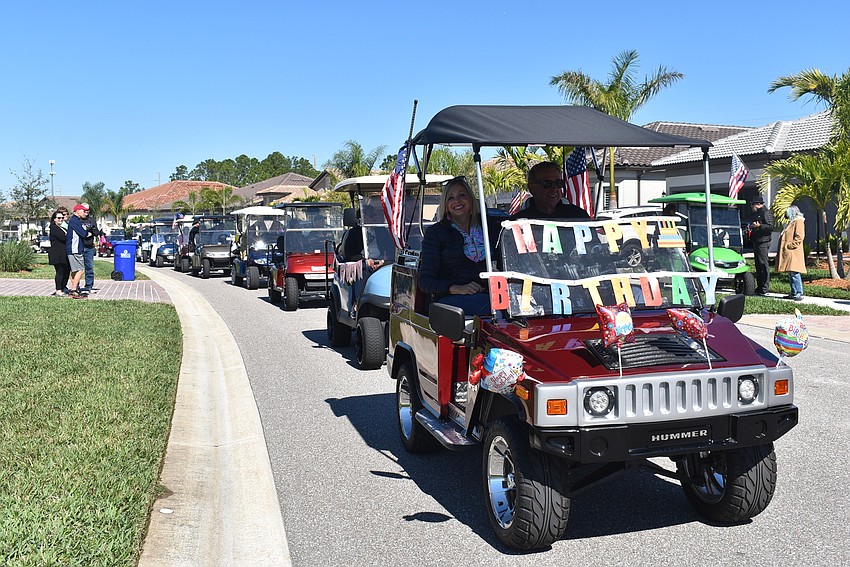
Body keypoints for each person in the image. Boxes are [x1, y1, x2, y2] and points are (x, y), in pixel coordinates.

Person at [418, 176, 489, 315]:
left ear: (471, 199)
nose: (457, 201)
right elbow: (425, 282)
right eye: (450, 198)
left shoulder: (489, 226)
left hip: (494, 294)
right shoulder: (436, 233)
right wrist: (456, 288)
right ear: (446, 204)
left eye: (462, 195)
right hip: (453, 300)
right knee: (488, 307)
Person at [512, 161, 591, 220]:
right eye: (547, 183)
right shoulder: (518, 222)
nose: (554, 188)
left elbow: (594, 242)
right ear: (531, 187)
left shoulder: (578, 216)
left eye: (558, 183)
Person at [777, 205, 806, 301]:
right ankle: (793, 292)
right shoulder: (792, 222)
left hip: (793, 252)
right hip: (789, 252)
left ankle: (799, 292)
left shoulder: (798, 221)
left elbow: (799, 236)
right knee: (791, 272)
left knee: (794, 272)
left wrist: (790, 245)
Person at [749, 196, 774, 295]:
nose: (752, 207)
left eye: (753, 204)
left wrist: (760, 226)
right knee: (758, 265)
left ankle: (764, 288)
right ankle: (759, 287)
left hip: (763, 242)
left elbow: (771, 227)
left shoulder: (766, 213)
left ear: (758, 204)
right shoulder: (757, 214)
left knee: (763, 265)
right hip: (757, 241)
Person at [66, 204, 91, 298]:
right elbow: (83, 233)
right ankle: (73, 290)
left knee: (75, 270)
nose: (85, 213)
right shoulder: (75, 221)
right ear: (77, 211)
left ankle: (75, 289)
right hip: (75, 249)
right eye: (83, 211)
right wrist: (88, 233)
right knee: (81, 270)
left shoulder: (74, 220)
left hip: (72, 249)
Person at [79, 202, 102, 294]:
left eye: (88, 210)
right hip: (79, 246)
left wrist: (95, 232)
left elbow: (95, 231)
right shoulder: (77, 220)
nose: (86, 212)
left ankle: (89, 286)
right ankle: (76, 286)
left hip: (89, 247)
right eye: (85, 210)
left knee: (89, 268)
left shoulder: (92, 220)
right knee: (78, 269)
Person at [48, 210, 71, 296]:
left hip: (63, 253)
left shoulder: (61, 227)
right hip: (57, 254)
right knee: (60, 272)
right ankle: (58, 290)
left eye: (62, 218)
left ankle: (63, 288)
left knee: (66, 271)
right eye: (58, 218)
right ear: (54, 219)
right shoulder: (54, 228)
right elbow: (64, 238)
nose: (61, 219)